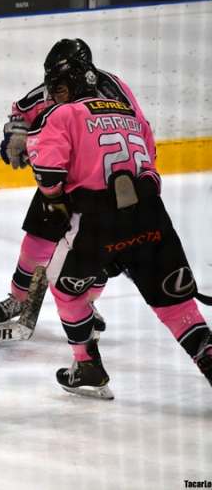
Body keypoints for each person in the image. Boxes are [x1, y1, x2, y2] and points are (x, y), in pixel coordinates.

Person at [26, 53, 212, 398]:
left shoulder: (61, 115)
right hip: (152, 214)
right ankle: (208, 355)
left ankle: (87, 366)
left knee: (65, 289)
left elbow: (49, 175)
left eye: (61, 88)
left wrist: (58, 201)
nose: (57, 95)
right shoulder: (129, 112)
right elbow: (152, 171)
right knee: (176, 303)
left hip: (95, 219)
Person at [0, 38, 145, 331]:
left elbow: (138, 131)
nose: (54, 91)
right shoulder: (54, 87)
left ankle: (87, 304)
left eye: (60, 82)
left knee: (99, 252)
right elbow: (22, 110)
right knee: (37, 241)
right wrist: (16, 134)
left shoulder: (112, 90)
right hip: (59, 178)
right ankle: (18, 298)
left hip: (103, 187)